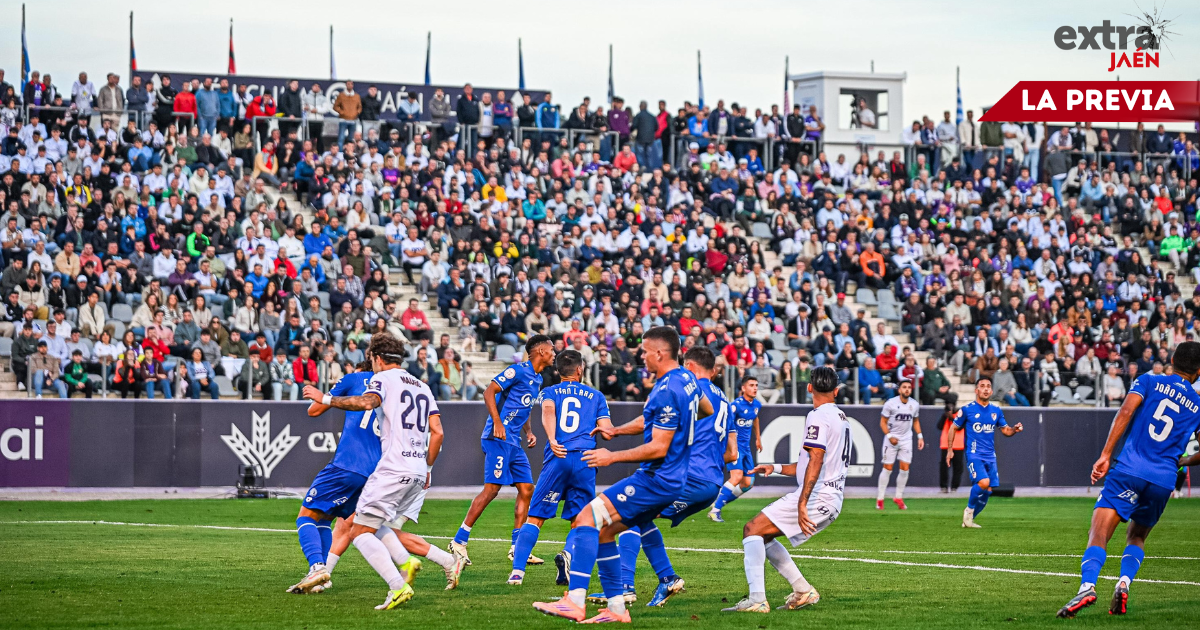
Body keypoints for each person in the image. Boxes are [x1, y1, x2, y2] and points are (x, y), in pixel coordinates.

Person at [532, 326, 709, 623]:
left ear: (659, 353)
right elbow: (703, 409)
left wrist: (611, 456)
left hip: (656, 479)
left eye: (644, 351)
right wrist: (617, 429)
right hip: (674, 478)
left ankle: (574, 601)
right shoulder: (687, 379)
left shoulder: (667, 389)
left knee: (586, 518)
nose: (641, 356)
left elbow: (659, 446)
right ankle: (616, 610)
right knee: (605, 531)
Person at [300, 333, 466, 610]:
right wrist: (427, 467)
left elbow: (366, 403)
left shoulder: (381, 379)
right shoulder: (423, 386)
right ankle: (427, 561)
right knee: (368, 526)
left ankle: (398, 581)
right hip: (417, 471)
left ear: (376, 358)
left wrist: (325, 398)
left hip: (391, 467)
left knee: (359, 532)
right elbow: (437, 432)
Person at [1057, 341, 1200, 618]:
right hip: (1163, 479)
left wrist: (1106, 455)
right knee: (1136, 535)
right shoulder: (1198, 405)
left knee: (1099, 531)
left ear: (1172, 359)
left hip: (1130, 469)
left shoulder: (1149, 380)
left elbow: (1125, 412)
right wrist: (1182, 461)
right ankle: (1124, 583)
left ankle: (1087, 587)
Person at [604, 346, 736, 607]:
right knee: (640, 516)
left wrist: (616, 431)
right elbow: (732, 453)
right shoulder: (725, 402)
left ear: (691, 367)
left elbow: (649, 423)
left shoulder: (687, 389)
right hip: (711, 481)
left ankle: (625, 586)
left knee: (629, 514)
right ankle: (665, 578)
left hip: (689, 477)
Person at [723, 366, 847, 613]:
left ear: (809, 387)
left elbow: (816, 460)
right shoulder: (840, 417)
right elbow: (807, 463)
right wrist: (776, 467)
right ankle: (803, 590)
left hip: (818, 496)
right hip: (832, 497)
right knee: (763, 535)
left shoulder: (818, 415)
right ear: (836, 391)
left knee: (751, 530)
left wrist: (802, 503)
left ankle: (757, 600)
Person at [508, 350, 613, 586]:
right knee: (580, 518)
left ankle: (517, 573)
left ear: (558, 371)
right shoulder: (596, 395)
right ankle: (567, 554)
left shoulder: (550, 391)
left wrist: (553, 440)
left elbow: (547, 411)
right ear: (579, 370)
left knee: (534, 517)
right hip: (585, 459)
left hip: (559, 456)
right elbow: (607, 431)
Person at [449, 335, 555, 566]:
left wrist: (528, 432)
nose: (554, 353)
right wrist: (497, 422)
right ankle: (459, 540)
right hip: (497, 437)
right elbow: (489, 392)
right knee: (491, 490)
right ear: (539, 352)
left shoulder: (537, 379)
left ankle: (517, 549)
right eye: (551, 349)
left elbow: (524, 408)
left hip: (514, 441)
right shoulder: (516, 371)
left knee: (527, 489)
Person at [285, 359, 379, 594]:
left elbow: (313, 410)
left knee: (305, 516)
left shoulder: (353, 379)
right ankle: (324, 575)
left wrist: (340, 395)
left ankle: (316, 567)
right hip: (374, 472)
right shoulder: (392, 388)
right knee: (325, 519)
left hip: (347, 464)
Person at [945, 376, 1024, 528]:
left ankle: (969, 520)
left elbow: (1005, 431)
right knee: (983, 482)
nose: (986, 389)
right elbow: (953, 428)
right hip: (974, 454)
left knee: (987, 490)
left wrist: (1014, 429)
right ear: (976, 390)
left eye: (988, 386)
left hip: (990, 456)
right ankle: (968, 510)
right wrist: (950, 449)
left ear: (992, 391)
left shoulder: (996, 411)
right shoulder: (967, 410)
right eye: (982, 386)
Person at [708, 376, 761, 522]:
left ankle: (719, 501)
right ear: (743, 388)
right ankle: (715, 510)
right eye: (751, 385)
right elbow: (724, 420)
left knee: (747, 484)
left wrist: (758, 438)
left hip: (746, 448)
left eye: (756, 385)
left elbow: (755, 418)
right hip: (735, 446)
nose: (755, 388)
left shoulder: (757, 405)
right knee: (736, 477)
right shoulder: (736, 405)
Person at [876, 380, 924, 510]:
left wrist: (920, 436)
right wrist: (890, 436)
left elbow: (916, 421)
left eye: (909, 387)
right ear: (899, 390)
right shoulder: (890, 403)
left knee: (905, 468)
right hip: (891, 439)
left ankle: (898, 497)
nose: (907, 389)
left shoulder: (914, 404)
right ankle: (880, 499)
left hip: (906, 439)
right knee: (888, 468)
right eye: (904, 387)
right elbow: (882, 422)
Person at [938, 403, 964, 493]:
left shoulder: (960, 415)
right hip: (946, 444)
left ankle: (954, 487)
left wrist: (952, 418)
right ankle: (944, 486)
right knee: (944, 467)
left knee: (958, 467)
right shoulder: (944, 416)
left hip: (958, 445)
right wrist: (945, 417)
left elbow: (960, 427)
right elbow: (939, 426)